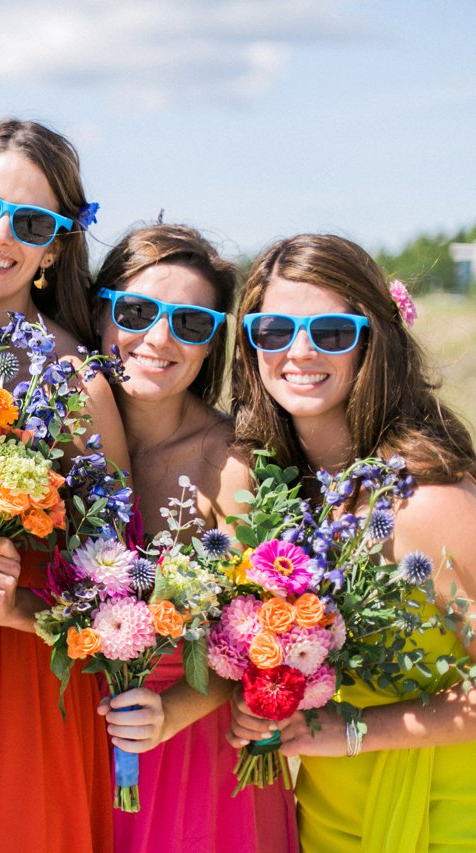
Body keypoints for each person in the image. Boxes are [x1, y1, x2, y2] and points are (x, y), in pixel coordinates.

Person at [0, 118, 130, 853]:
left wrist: (16, 606)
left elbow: (116, 588)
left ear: (56, 245)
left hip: (18, 689)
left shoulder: (77, 381)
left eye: (30, 221)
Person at [227, 234, 476, 851]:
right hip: (323, 813)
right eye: (274, 329)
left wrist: (356, 730)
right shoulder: (277, 492)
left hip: (441, 816)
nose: (300, 350)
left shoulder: (427, 501)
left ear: (373, 341)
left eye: (332, 332)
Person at [87, 225, 297, 852]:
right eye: (136, 311)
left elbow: (267, 637)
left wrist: (171, 711)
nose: (158, 338)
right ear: (102, 315)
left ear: (213, 344)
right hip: (71, 730)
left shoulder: (229, 463)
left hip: (190, 747)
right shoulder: (61, 435)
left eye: (191, 322)